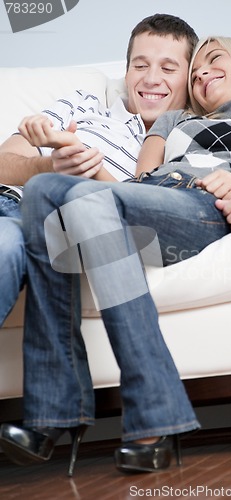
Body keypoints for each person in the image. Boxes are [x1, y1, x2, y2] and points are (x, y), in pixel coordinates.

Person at [3, 33, 231, 477]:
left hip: (205, 206)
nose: (201, 74)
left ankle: (130, 410)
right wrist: (72, 156)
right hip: (154, 198)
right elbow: (131, 190)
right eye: (195, 72)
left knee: (79, 201)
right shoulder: (173, 119)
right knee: (44, 188)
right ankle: (63, 411)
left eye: (214, 61)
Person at [0, 13, 199, 327]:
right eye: (140, 65)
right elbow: (2, 163)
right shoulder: (84, 105)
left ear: (189, 77)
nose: (150, 78)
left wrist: (87, 170)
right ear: (126, 70)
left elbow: (146, 216)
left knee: (5, 244)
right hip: (6, 200)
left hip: (42, 228)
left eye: (168, 68)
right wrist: (48, 165)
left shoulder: (181, 141)